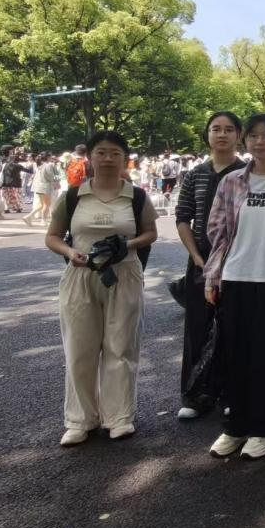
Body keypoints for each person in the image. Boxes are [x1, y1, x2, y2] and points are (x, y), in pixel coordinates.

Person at [44, 131, 158, 446]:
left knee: (121, 347)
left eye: (115, 153)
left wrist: (127, 244)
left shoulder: (137, 197)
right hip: (80, 276)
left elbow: (150, 232)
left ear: (125, 159)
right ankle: (80, 420)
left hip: (124, 275)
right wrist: (70, 252)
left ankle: (119, 418)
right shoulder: (72, 196)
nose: (108, 159)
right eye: (101, 152)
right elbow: (53, 236)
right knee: (79, 348)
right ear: (90, 157)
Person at [203, 114, 265, 461]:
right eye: (254, 136)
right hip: (235, 278)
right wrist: (213, 275)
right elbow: (217, 232)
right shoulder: (231, 182)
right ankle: (236, 425)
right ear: (245, 140)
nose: (260, 142)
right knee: (234, 356)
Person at [174, 112, 245, 420]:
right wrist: (196, 256)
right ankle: (195, 394)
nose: (222, 134)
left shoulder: (246, 173)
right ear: (207, 135)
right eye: (216, 129)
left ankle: (231, 392)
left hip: (237, 261)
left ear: (239, 135)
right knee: (197, 327)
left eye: (229, 129)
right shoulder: (195, 174)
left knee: (234, 328)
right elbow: (183, 217)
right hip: (200, 260)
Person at [23, 152, 58, 226]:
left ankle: (29, 216)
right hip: (45, 186)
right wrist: (56, 181)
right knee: (46, 204)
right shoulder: (48, 165)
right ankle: (43, 220)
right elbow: (51, 177)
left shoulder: (40, 166)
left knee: (42, 204)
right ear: (48, 157)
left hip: (38, 187)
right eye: (50, 156)